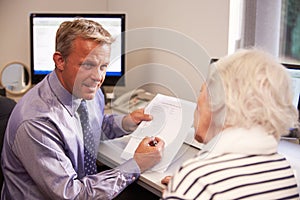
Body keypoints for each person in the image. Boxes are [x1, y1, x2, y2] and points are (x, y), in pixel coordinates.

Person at [1, 19, 164, 199]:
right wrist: (137, 164)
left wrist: (125, 123)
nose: (98, 77)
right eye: (87, 65)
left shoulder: (86, 89)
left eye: (103, 67)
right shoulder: (37, 122)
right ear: (60, 61)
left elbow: (90, 127)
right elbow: (73, 195)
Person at [162, 49, 299, 199]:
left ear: (219, 102)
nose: (198, 102)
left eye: (203, 91)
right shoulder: (287, 171)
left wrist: (183, 188)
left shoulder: (198, 180)